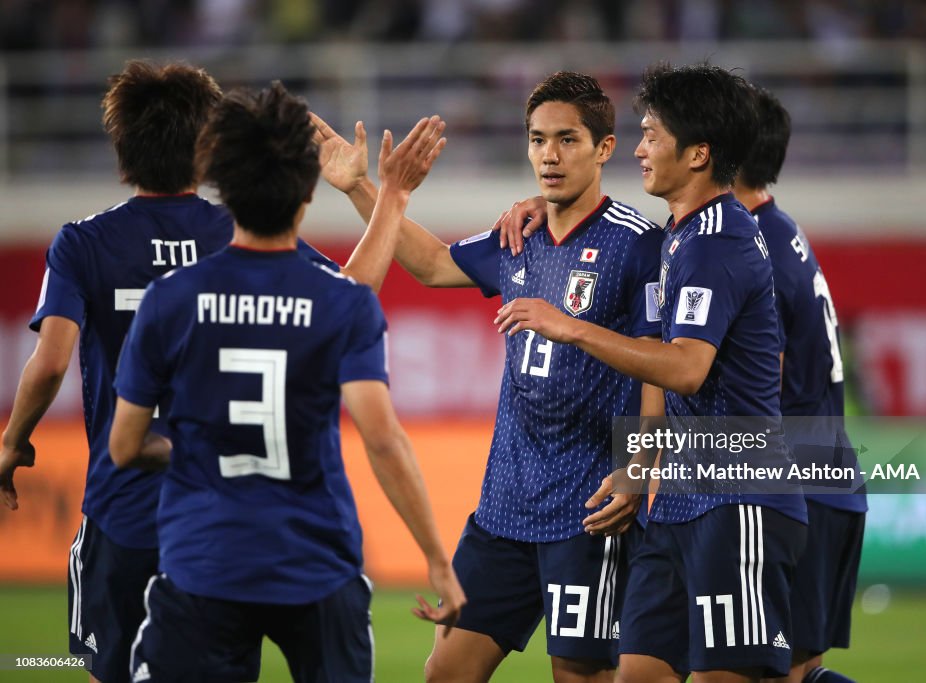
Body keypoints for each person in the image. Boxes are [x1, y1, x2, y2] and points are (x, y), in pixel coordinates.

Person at [0, 59, 430, 683]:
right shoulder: (242, 231)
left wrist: (13, 441)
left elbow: (51, 362)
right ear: (206, 150)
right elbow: (347, 293)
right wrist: (385, 199)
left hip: (124, 508)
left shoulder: (82, 243)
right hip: (224, 514)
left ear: (123, 147)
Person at [108, 81, 463, 683]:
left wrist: (202, 448)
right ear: (306, 193)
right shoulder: (341, 303)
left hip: (203, 564)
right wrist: (436, 557)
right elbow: (383, 439)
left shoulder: (171, 300)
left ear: (219, 182)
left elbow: (124, 446)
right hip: (316, 565)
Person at [314, 71, 663, 682]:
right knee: (445, 673)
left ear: (605, 148)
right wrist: (358, 188)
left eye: (567, 139)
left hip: (585, 508)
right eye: (537, 139)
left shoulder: (638, 245)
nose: (549, 156)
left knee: (579, 676)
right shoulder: (518, 234)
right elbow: (430, 263)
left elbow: (656, 361)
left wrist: (641, 465)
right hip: (504, 507)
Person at [494, 63, 808, 683]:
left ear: (698, 154)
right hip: (677, 500)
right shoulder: (680, 234)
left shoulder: (716, 243)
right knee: (636, 674)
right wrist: (641, 467)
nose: (638, 148)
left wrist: (572, 325)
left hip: (737, 495)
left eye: (651, 135)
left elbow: (687, 369)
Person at [734, 86, 865, 683]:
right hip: (826, 479)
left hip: (800, 489)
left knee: (776, 670)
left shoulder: (752, 249)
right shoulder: (779, 231)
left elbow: (772, 373)